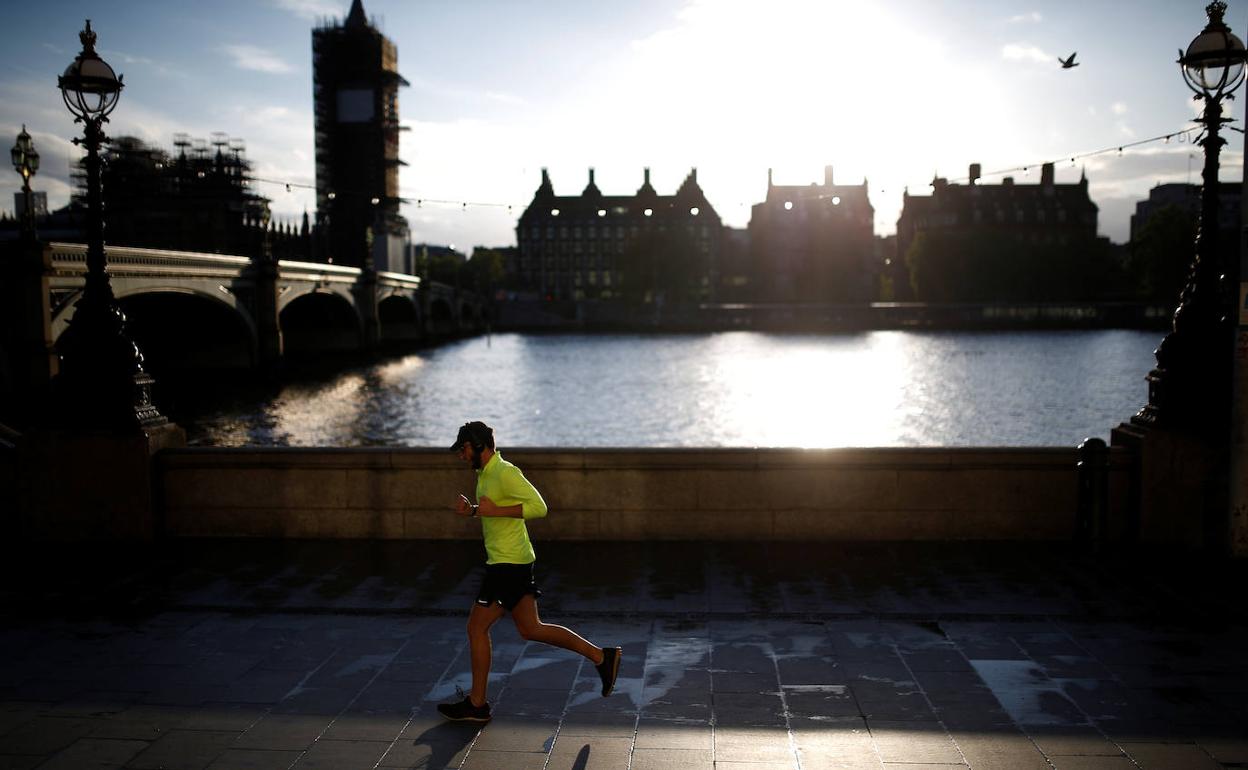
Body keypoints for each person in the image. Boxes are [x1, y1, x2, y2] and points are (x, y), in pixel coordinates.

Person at [437, 421, 621, 722]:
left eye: (464, 448)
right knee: (531, 629)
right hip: (512, 561)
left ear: (480, 446)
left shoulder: (505, 472)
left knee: (476, 628)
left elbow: (539, 507)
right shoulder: (485, 474)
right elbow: (493, 511)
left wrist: (491, 511)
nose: (460, 454)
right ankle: (602, 657)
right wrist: (473, 510)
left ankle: (477, 704)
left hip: (507, 565)